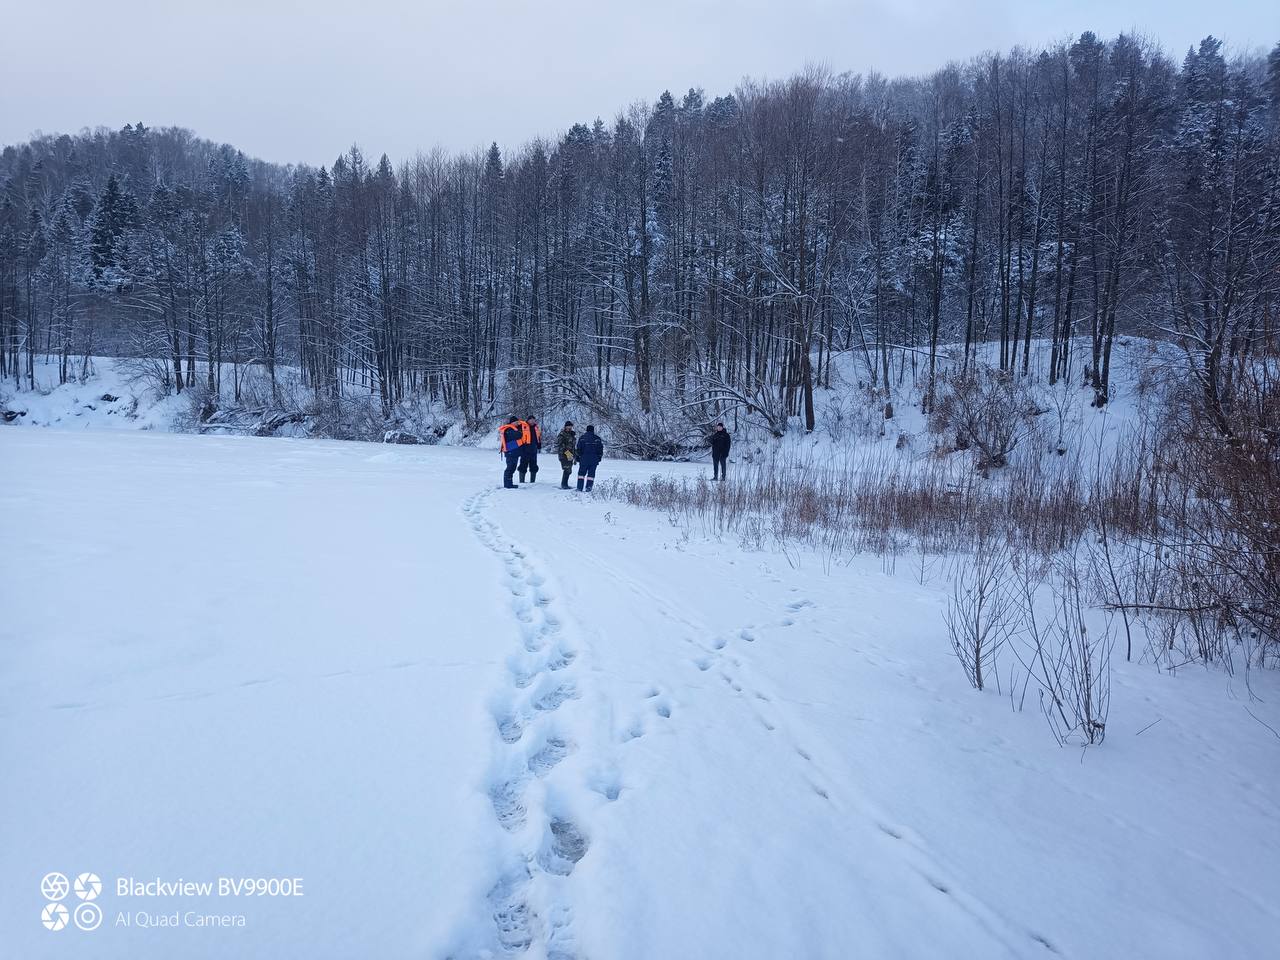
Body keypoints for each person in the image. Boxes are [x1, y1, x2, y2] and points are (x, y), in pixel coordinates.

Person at [498, 416, 525, 489]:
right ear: (512, 422)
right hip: (510, 453)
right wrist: (520, 429)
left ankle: (510, 483)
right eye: (516, 422)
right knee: (510, 468)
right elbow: (519, 435)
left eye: (517, 422)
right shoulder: (509, 429)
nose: (517, 423)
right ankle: (507, 484)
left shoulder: (512, 429)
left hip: (514, 453)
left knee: (512, 468)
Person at [575, 424, 604, 492]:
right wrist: (599, 457)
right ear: (593, 430)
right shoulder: (597, 438)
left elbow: (578, 449)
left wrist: (578, 457)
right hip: (594, 460)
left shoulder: (582, 438)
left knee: (581, 474)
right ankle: (589, 488)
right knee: (591, 475)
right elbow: (600, 449)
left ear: (587, 430)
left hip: (583, 460)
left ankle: (579, 488)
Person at [518, 416, 542, 483]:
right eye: (531, 420)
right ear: (528, 420)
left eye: (533, 420)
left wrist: (539, 444)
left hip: (533, 450)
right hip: (524, 450)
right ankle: (522, 481)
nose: (532, 421)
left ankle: (532, 481)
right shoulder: (522, 426)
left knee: (534, 466)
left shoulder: (536, 427)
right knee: (523, 466)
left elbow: (538, 437)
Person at [555, 421, 577, 489]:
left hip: (570, 454)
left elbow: (573, 446)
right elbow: (561, 446)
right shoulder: (562, 434)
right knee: (567, 469)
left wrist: (574, 455)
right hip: (564, 455)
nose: (570, 427)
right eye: (568, 426)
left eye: (571, 426)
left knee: (569, 470)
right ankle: (564, 484)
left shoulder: (572, 434)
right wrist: (568, 454)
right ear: (565, 427)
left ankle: (565, 484)